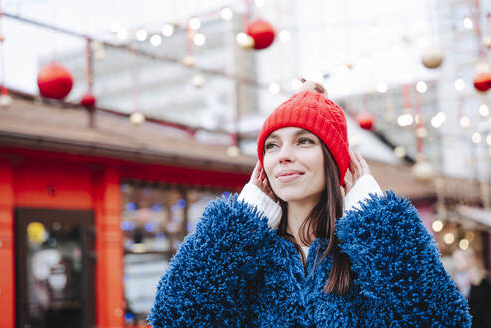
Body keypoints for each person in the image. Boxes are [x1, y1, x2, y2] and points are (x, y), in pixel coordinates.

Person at [148, 81, 472, 327]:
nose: (284, 155)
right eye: (272, 146)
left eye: (304, 141)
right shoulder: (246, 254)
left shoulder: (368, 252)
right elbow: (174, 315)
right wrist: (241, 221)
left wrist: (375, 218)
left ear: (333, 161)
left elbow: (439, 318)